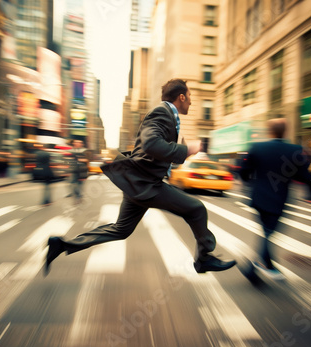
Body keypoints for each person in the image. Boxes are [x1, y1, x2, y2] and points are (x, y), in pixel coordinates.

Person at [44, 79, 236, 275]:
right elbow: (151, 144)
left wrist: (183, 153)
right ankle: (204, 259)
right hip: (146, 184)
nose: (191, 102)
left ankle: (62, 245)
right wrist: (187, 149)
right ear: (181, 96)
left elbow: (155, 152)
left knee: (121, 229)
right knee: (197, 209)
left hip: (137, 183)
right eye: (190, 97)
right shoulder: (162, 112)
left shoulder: (168, 115)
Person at [239, 118, 311, 280]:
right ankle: (258, 265)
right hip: (279, 198)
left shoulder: (257, 147)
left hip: (258, 196)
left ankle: (261, 267)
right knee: (269, 231)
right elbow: (305, 176)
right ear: (285, 131)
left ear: (269, 131)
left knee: (267, 231)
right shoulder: (296, 150)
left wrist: (251, 184)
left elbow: (244, 172)